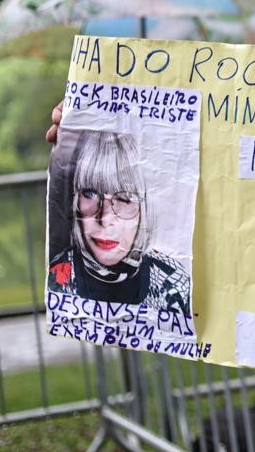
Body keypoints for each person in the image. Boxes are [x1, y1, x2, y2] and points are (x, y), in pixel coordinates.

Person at [48, 129, 191, 314]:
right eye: (90, 194)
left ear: (145, 208)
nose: (105, 218)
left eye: (124, 198)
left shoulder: (172, 282)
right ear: (76, 200)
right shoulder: (61, 275)